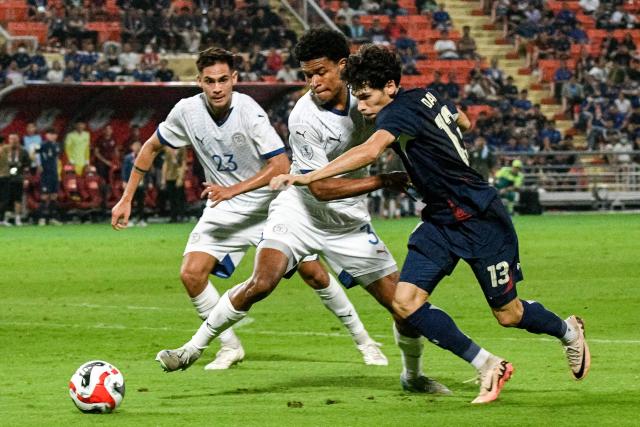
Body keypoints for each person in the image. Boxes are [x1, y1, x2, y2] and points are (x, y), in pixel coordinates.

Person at [272, 44, 591, 403]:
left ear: (390, 87)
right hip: (440, 220)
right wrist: (450, 134)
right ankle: (488, 365)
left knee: (509, 314)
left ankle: (568, 331)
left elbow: (369, 152)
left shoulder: (397, 114)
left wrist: (307, 176)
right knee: (405, 302)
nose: (361, 107)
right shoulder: (423, 96)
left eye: (366, 97)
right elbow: (462, 120)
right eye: (357, 97)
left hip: (480, 218)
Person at [155, 31, 451, 396]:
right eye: (307, 75)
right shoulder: (304, 117)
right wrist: (384, 180)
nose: (313, 82)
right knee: (262, 281)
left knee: (403, 306)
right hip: (300, 211)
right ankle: (192, 349)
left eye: (320, 72)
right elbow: (321, 188)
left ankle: (413, 376)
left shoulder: (370, 100)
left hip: (349, 220)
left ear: (343, 67)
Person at [112, 47, 387, 370]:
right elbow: (151, 146)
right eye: (210, 81)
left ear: (235, 80)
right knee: (191, 274)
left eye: (224, 80)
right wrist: (126, 197)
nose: (217, 88)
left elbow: (280, 164)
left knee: (313, 273)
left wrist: (233, 189)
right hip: (223, 207)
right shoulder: (186, 111)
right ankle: (229, 347)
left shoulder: (249, 112)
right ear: (199, 81)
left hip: (266, 206)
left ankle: (365, 342)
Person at [2, 134, 30, 226]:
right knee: (5, 199)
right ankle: (4, 219)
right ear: (8, 140)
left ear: (18, 140)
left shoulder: (23, 151)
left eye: (15, 139)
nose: (13, 141)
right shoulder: (4, 150)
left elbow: (27, 166)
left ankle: (17, 219)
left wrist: (26, 178)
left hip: (18, 178)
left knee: (18, 199)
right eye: (11, 139)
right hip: (6, 178)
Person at [37, 129, 63, 226]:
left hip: (54, 174)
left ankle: (52, 218)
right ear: (46, 135)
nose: (53, 136)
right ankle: (41, 218)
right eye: (51, 134)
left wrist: (58, 173)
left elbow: (56, 160)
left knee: (54, 196)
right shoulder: (42, 145)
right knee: (44, 196)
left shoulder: (56, 145)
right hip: (45, 173)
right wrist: (39, 165)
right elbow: (35, 154)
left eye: (54, 134)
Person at [120, 141, 148, 228]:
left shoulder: (143, 156)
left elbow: (147, 169)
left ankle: (141, 220)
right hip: (130, 183)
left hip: (141, 183)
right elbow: (124, 170)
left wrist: (149, 181)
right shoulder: (128, 158)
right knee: (130, 202)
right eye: (135, 146)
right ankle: (129, 220)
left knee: (141, 203)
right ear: (132, 147)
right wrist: (124, 181)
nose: (137, 147)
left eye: (139, 146)